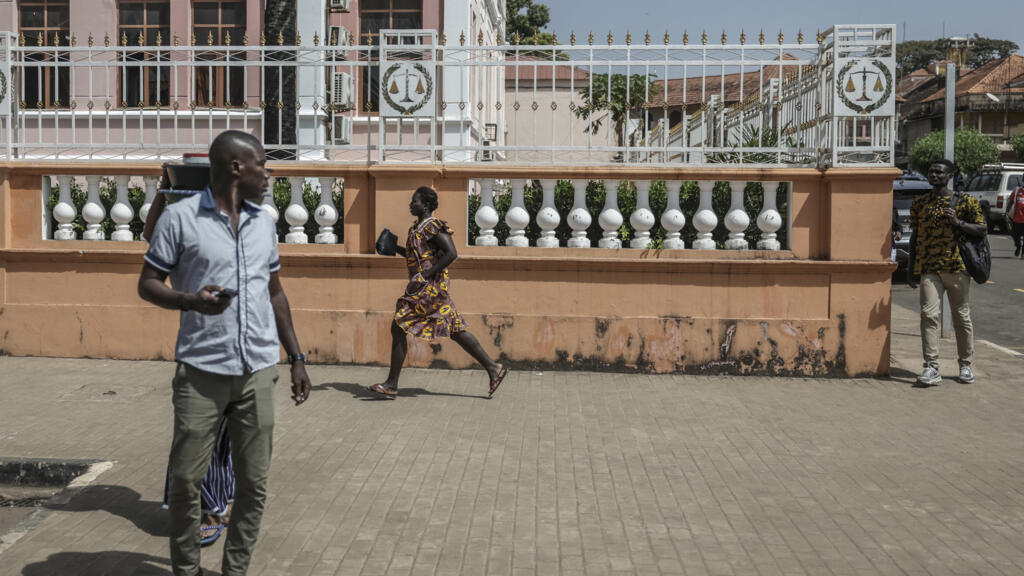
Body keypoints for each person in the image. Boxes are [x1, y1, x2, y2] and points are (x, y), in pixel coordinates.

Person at [138, 130, 312, 576]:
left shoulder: (263, 222)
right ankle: (188, 569)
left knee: (253, 485)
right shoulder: (179, 220)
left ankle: (235, 570)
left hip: (257, 372)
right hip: (200, 372)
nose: (268, 174)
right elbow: (149, 283)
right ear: (236, 167)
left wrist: (296, 358)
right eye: (262, 165)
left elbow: (275, 293)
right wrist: (191, 300)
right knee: (185, 482)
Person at [145, 186, 236, 549]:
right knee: (202, 438)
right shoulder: (181, 229)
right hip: (201, 354)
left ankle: (220, 501)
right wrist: (160, 193)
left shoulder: (243, 225)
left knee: (226, 437)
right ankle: (208, 509)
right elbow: (151, 237)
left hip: (240, 353)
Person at [370, 186, 508, 398]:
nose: (410, 204)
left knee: (399, 325)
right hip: (424, 287)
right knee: (454, 329)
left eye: (414, 201)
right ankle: (493, 368)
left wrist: (427, 275)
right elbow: (415, 255)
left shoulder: (432, 226)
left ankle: (391, 384)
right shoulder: (416, 229)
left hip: (430, 288)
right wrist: (393, 248)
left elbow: (452, 253)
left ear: (425, 205)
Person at [907, 159, 986, 387]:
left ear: (949, 175)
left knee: (961, 317)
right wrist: (913, 268)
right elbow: (915, 236)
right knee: (928, 315)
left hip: (957, 268)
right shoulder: (920, 203)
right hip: (929, 268)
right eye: (931, 172)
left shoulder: (965, 202)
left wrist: (958, 222)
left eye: (939, 172)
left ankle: (965, 364)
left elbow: (982, 229)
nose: (934, 175)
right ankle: (931, 366)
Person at [1006, 183, 1024, 258]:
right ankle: (1018, 245)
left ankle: (1023, 252)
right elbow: (1011, 202)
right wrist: (1006, 212)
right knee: (1014, 234)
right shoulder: (1017, 190)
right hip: (1017, 219)